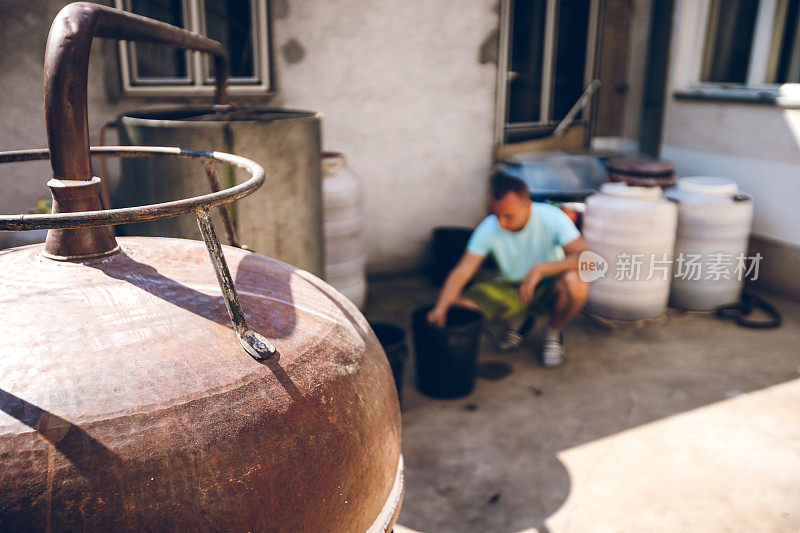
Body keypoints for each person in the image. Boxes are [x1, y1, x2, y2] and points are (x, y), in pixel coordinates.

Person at [427, 172, 589, 367]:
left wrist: (540, 269)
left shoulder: (552, 217)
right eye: (496, 214)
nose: (501, 223)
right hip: (511, 286)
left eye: (508, 216)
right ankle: (517, 323)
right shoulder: (489, 227)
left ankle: (553, 333)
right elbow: (463, 270)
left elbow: (587, 259)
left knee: (576, 283)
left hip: (549, 283)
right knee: (463, 308)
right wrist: (441, 306)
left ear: (528, 206)